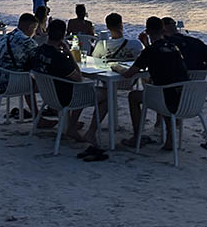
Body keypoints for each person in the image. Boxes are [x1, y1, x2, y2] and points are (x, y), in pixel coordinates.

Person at [29, 18, 107, 152]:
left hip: (48, 96)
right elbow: (78, 78)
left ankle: (71, 126)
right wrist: (69, 55)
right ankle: (90, 132)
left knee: (81, 89)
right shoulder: (60, 58)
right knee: (106, 94)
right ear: (63, 35)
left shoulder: (38, 51)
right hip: (65, 98)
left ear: (48, 32)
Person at [114, 16, 188, 149]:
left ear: (147, 31)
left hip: (165, 99)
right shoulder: (173, 47)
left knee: (133, 96)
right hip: (185, 96)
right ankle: (170, 139)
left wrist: (116, 67)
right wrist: (146, 44)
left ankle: (136, 137)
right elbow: (159, 56)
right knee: (164, 89)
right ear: (163, 29)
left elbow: (128, 74)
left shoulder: (149, 51)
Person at [0, 13, 40, 90]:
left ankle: (32, 102)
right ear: (30, 27)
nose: (35, 33)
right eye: (34, 30)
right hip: (8, 84)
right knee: (46, 83)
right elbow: (39, 61)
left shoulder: (6, 37)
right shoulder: (27, 41)